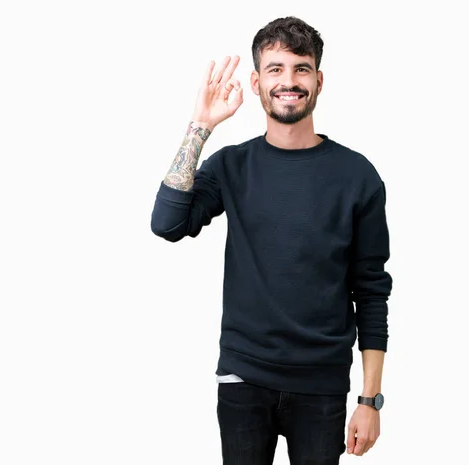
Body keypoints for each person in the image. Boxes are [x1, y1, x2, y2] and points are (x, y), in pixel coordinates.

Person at [150, 16, 393, 465]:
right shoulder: (231, 167)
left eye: (301, 69)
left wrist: (369, 400)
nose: (289, 81)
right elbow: (167, 223)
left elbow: (372, 290)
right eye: (276, 69)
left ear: (318, 80)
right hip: (244, 379)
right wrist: (200, 126)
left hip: (321, 386)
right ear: (257, 81)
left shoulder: (357, 176)